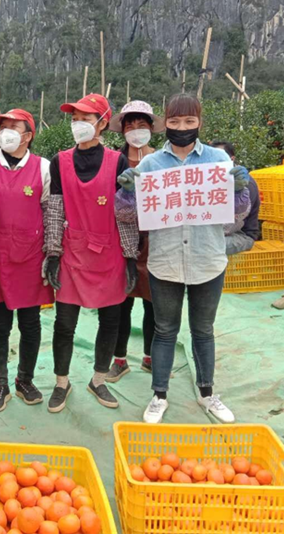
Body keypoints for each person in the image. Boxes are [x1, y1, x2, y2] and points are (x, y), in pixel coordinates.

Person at [116, 93, 250, 425]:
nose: (182, 127)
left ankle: (207, 393)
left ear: (199, 122)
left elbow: (237, 213)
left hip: (207, 259)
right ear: (166, 124)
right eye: (175, 121)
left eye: (189, 121)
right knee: (165, 330)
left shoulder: (218, 160)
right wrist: (126, 193)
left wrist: (240, 189)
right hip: (165, 261)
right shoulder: (150, 165)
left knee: (203, 330)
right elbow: (126, 215)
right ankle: (159, 395)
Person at [43, 93, 139, 413]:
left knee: (110, 320)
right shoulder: (60, 161)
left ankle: (98, 379)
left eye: (85, 118)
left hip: (109, 253)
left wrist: (130, 257)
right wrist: (52, 253)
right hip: (72, 253)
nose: (78, 124)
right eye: (75, 119)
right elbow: (55, 209)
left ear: (102, 123)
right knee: (64, 323)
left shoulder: (118, 162)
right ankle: (61, 382)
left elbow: (126, 215)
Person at [0, 108, 54, 412]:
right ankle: (0, 385)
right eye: (3, 127)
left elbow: (50, 212)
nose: (6, 132)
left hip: (30, 256)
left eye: (13, 127)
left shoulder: (43, 168)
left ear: (28, 136)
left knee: (30, 322)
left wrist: (52, 253)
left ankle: (25, 379)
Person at [105, 101, 164, 382]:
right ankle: (119, 359)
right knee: (121, 303)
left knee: (155, 303)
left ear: (151, 129)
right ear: (122, 131)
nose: (136, 131)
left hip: (156, 241)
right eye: (130, 126)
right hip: (122, 241)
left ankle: (151, 357)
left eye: (142, 125)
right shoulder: (113, 162)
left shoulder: (163, 161)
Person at [210, 141, 260, 255]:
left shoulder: (245, 183)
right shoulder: (211, 179)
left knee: (206, 246)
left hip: (239, 234)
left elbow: (232, 223)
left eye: (219, 159)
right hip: (215, 232)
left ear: (232, 159)